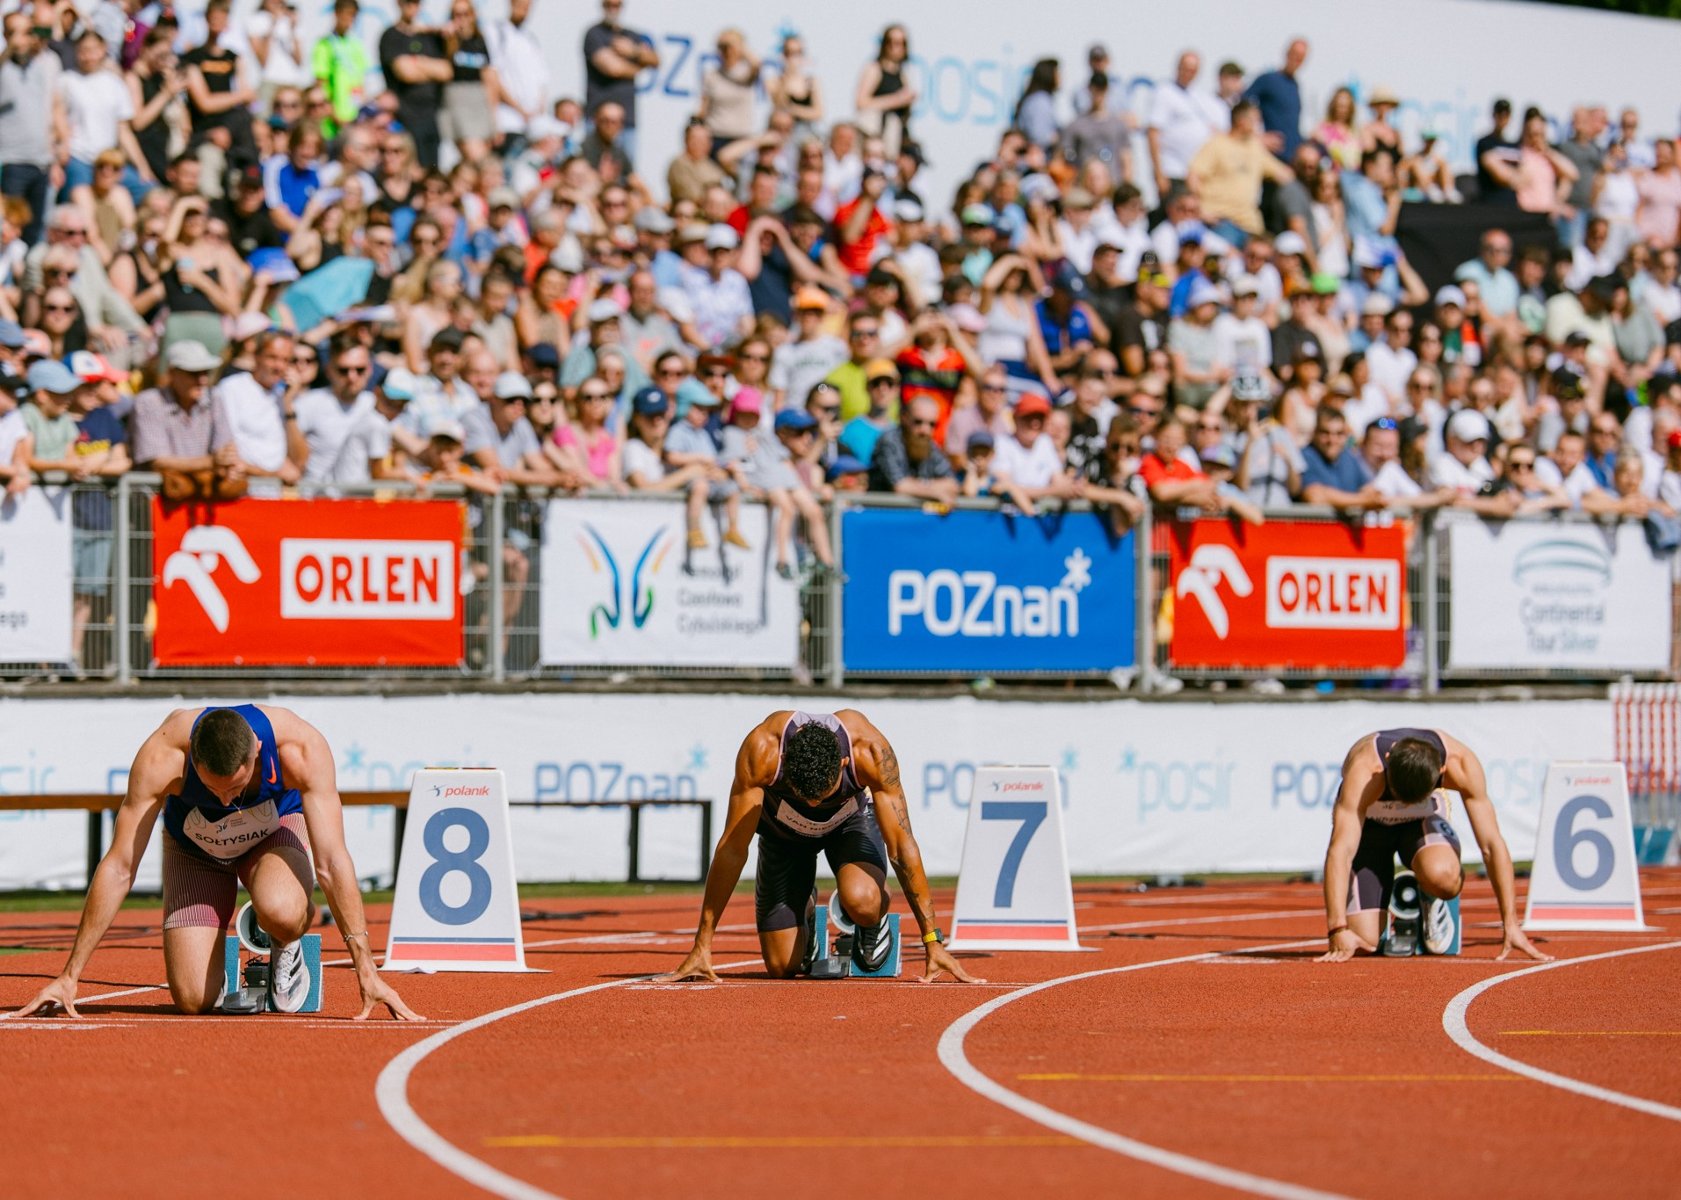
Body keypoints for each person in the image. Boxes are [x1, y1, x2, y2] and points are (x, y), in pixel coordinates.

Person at [13, 705, 423, 1019]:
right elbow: (120, 867)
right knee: (193, 1000)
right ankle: (211, 960)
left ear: (257, 753)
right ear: (193, 760)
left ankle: (285, 940)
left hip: (270, 834)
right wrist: (70, 976)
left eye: (237, 788)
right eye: (213, 789)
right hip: (196, 847)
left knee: (281, 910)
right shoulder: (163, 755)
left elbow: (333, 862)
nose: (226, 802)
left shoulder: (300, 748)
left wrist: (366, 971)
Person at [657, 710, 981, 983]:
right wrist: (703, 943)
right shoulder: (762, 751)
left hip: (847, 826)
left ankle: (872, 921)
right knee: (782, 966)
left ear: (842, 763)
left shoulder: (869, 751)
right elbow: (731, 849)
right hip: (784, 837)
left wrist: (931, 940)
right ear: (784, 762)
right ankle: (805, 910)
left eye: (822, 794)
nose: (812, 803)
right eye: (803, 794)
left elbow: (902, 847)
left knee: (862, 902)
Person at [1316, 728, 1552, 965]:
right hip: (1370, 830)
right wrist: (1337, 929)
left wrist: (1511, 925)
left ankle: (1432, 896)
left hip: (1421, 822)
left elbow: (1491, 845)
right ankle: (1381, 917)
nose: (1400, 805)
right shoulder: (1365, 770)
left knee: (1444, 877)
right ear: (1385, 765)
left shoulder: (1461, 764)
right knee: (1362, 942)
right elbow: (1340, 851)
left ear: (1441, 771)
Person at [582, 0, 659, 163]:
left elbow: (656, 60)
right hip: (599, 118)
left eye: (617, 5)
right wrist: (638, 67)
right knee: (595, 168)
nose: (613, 8)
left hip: (627, 120)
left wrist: (633, 51)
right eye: (609, 4)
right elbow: (612, 68)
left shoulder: (631, 36)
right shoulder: (594, 34)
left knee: (626, 173)